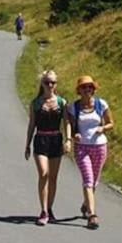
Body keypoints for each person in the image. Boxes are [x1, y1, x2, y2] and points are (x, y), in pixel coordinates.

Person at [67, 75, 114, 229]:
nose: (87, 89)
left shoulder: (101, 104)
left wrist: (102, 128)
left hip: (100, 146)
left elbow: (111, 123)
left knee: (94, 182)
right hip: (82, 148)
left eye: (90, 87)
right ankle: (92, 216)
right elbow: (71, 128)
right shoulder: (74, 107)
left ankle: (86, 204)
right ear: (79, 90)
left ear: (93, 89)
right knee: (88, 179)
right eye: (84, 87)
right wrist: (75, 135)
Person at [24, 70, 70, 226]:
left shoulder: (62, 102)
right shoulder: (36, 103)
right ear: (42, 84)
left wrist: (68, 140)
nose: (50, 85)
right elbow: (32, 125)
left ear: (56, 84)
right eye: (47, 82)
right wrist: (27, 144)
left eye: (53, 82)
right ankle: (43, 210)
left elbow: (67, 122)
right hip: (41, 140)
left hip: (56, 139)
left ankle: (49, 209)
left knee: (53, 177)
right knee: (44, 173)